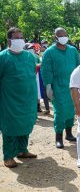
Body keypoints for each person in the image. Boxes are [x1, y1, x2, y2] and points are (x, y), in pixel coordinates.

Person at [0, 27, 38, 168]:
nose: (21, 40)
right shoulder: (2, 57)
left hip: (27, 99)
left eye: (22, 37)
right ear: (9, 40)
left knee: (26, 124)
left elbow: (32, 74)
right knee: (10, 127)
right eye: (17, 37)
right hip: (9, 100)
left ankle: (22, 150)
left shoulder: (29, 57)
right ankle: (8, 156)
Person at [41, 27, 79, 149]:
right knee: (60, 112)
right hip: (58, 86)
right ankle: (58, 138)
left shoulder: (73, 50)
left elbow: (79, 67)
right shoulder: (49, 52)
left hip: (72, 86)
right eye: (60, 35)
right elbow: (46, 70)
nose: (63, 37)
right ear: (55, 37)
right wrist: (48, 86)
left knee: (71, 110)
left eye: (65, 34)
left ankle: (69, 134)